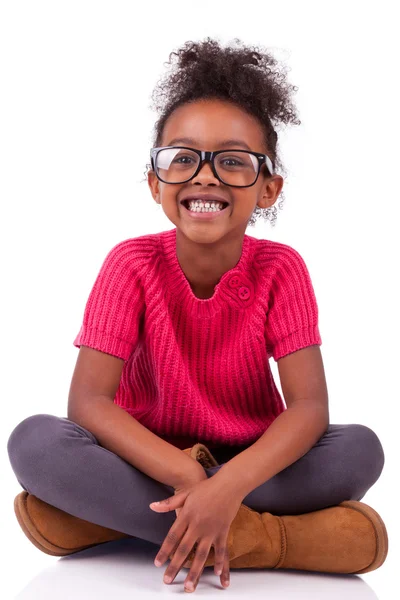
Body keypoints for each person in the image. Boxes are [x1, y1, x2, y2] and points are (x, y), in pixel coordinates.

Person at [7, 37, 387, 593]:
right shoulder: (130, 263)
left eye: (233, 161)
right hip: (147, 458)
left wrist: (226, 484)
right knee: (35, 443)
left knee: (359, 450)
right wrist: (192, 479)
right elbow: (87, 403)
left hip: (253, 462)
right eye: (183, 158)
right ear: (155, 181)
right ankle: (269, 541)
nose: (205, 176)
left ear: (268, 189)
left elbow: (308, 408)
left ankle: (100, 522)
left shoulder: (282, 269)